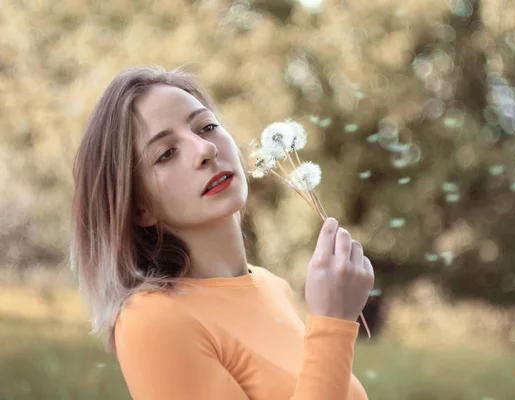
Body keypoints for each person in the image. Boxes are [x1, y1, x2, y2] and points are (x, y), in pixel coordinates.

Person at [70, 65, 375, 400]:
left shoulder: (273, 287)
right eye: (166, 154)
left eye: (207, 126)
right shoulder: (152, 320)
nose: (205, 150)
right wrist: (332, 323)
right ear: (140, 207)